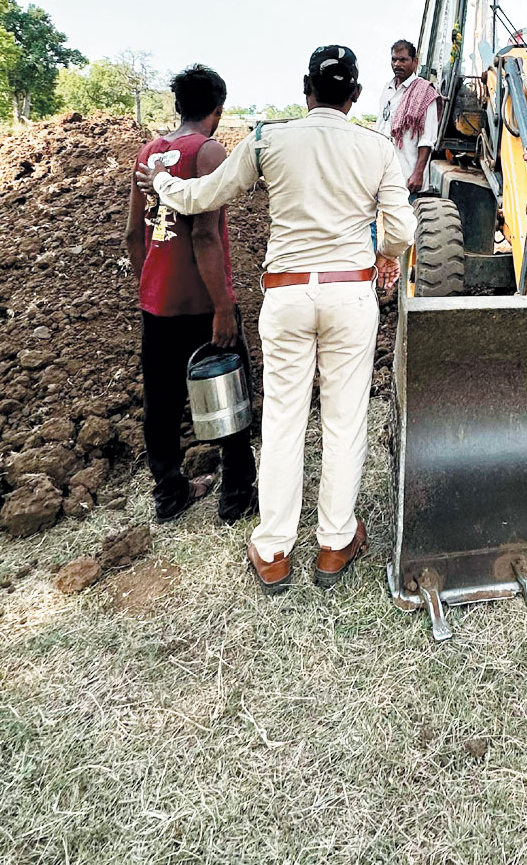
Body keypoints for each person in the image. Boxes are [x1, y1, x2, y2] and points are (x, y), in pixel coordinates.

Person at [136, 45, 415, 594]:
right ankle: (335, 543)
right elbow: (402, 230)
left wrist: (162, 184)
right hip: (349, 296)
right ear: (355, 96)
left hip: (285, 297)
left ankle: (273, 550)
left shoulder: (268, 139)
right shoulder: (377, 147)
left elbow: (203, 196)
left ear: (305, 89)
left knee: (284, 420)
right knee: (343, 420)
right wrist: (385, 254)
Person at [125, 64, 257, 524]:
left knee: (160, 402)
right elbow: (205, 236)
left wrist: (153, 279)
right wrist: (223, 306)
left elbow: (131, 235)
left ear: (178, 106)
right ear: (217, 109)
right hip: (202, 301)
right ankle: (236, 495)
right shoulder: (208, 152)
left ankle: (170, 493)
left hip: (156, 301)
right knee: (230, 391)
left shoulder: (148, 153)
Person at [376, 39, 439, 193]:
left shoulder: (425, 92)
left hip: (408, 178)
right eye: (394, 59)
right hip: (384, 175)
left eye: (403, 60)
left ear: (415, 62)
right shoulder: (388, 89)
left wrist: (417, 173)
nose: (397, 64)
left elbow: (427, 139)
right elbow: (381, 127)